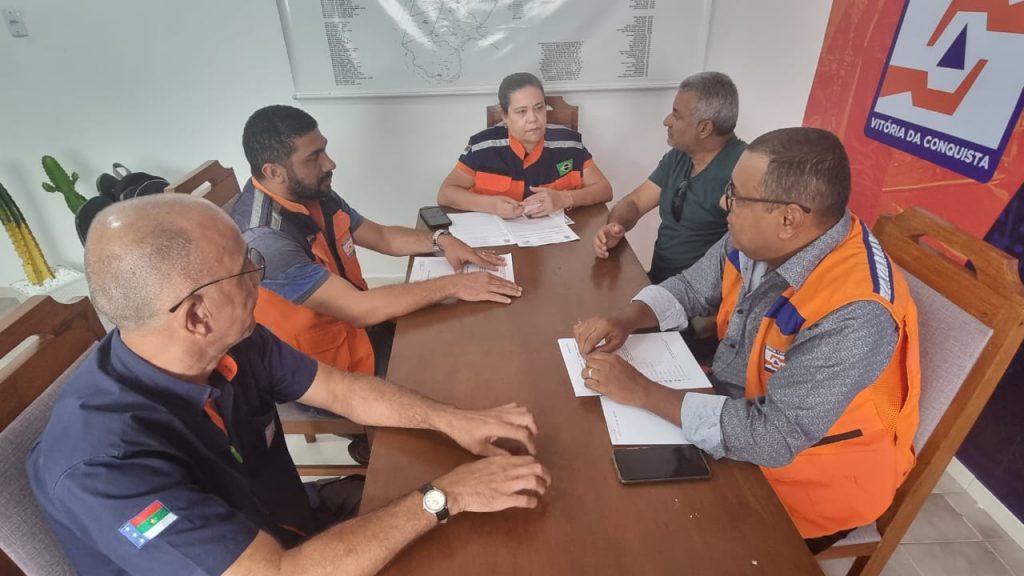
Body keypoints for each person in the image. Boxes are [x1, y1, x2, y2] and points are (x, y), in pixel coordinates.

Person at [27, 195, 551, 576]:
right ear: (196, 316)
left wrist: (455, 420)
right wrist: (446, 496)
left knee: (509, 518)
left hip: (293, 522)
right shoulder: (101, 467)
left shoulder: (230, 340)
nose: (259, 277)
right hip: (275, 564)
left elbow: (342, 391)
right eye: (246, 268)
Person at [574, 127, 920, 553]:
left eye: (735, 196)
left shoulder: (856, 312)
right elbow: (692, 286)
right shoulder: (763, 237)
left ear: (788, 219)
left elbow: (773, 437)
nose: (724, 204)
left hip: (807, 481)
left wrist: (641, 391)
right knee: (602, 477)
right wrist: (627, 319)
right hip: (732, 411)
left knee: (651, 541)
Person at [235, 105, 523, 462]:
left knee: (466, 345)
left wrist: (441, 241)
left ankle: (371, 443)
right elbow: (359, 310)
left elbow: (382, 237)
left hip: (362, 335)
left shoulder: (311, 192)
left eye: (325, 149)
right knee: (454, 391)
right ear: (273, 171)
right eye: (314, 156)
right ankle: (377, 450)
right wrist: (453, 285)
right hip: (325, 370)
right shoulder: (266, 238)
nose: (329, 163)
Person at [593, 71, 746, 284]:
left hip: (700, 296)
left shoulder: (745, 171)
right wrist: (616, 225)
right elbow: (636, 202)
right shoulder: (679, 156)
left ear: (704, 128)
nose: (667, 121)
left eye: (677, 115)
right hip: (658, 282)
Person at [437, 72, 612, 219]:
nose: (533, 119)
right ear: (505, 116)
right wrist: (492, 205)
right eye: (521, 111)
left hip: (555, 240)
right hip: (497, 239)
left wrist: (564, 199)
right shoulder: (482, 147)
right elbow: (445, 193)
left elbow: (604, 190)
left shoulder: (569, 144)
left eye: (539, 108)